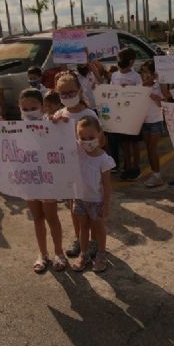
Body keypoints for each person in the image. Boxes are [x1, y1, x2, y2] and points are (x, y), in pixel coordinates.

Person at [0, 89, 68, 273]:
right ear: (19, 108)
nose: (30, 111)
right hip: (29, 179)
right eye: (25, 108)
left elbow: (62, 134)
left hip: (47, 179)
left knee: (52, 217)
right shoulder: (16, 128)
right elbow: (6, 145)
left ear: (42, 106)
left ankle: (59, 252)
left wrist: (57, 122)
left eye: (33, 107)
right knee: (37, 218)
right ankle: (42, 254)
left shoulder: (49, 123)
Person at [50, 72, 99, 259]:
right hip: (69, 170)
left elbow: (100, 142)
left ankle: (93, 240)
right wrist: (52, 125)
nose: (68, 97)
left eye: (71, 92)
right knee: (74, 208)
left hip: (88, 169)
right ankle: (80, 238)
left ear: (79, 90)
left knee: (91, 208)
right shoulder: (58, 114)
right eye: (63, 94)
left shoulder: (89, 114)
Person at [71, 115, 115, 272]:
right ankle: (84, 254)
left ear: (99, 135)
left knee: (98, 228)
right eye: (82, 137)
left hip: (96, 200)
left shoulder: (104, 159)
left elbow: (107, 185)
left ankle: (101, 254)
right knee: (83, 227)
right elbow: (59, 138)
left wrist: (106, 204)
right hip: (80, 198)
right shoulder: (77, 150)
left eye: (91, 137)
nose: (87, 141)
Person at [110, 48, 143, 181]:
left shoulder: (136, 76)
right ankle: (127, 166)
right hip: (120, 114)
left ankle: (135, 167)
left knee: (133, 143)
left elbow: (141, 94)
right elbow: (111, 91)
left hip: (133, 114)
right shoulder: (114, 75)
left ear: (131, 62)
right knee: (124, 142)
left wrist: (129, 91)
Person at [139, 61, 168, 187]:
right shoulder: (139, 86)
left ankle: (157, 176)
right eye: (143, 72)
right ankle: (154, 174)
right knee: (149, 150)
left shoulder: (158, 86)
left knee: (152, 149)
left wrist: (155, 96)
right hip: (144, 122)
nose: (144, 75)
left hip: (156, 121)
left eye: (147, 72)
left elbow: (163, 103)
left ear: (153, 73)